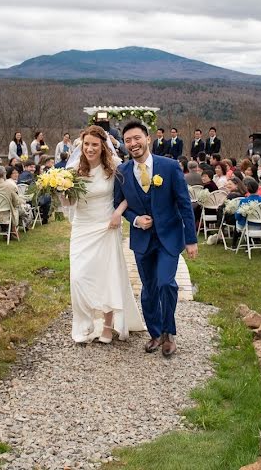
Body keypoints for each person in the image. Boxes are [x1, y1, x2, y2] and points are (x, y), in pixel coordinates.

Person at [114, 121, 197, 358]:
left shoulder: (169, 167)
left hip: (169, 238)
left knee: (165, 283)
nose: (133, 144)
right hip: (142, 240)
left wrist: (191, 240)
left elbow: (184, 204)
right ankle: (155, 333)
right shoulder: (122, 172)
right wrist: (136, 219)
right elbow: (118, 205)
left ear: (148, 138)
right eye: (128, 140)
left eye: (137, 138)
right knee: (148, 288)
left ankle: (169, 332)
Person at [64, 125, 145, 344]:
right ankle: (85, 323)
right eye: (86, 144)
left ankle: (108, 326)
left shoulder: (115, 167)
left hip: (107, 226)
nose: (90, 149)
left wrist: (118, 213)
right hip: (82, 227)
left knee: (107, 276)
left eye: (94, 145)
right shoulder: (73, 172)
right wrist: (60, 191)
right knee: (79, 278)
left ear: (103, 147)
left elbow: (132, 194)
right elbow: (69, 202)